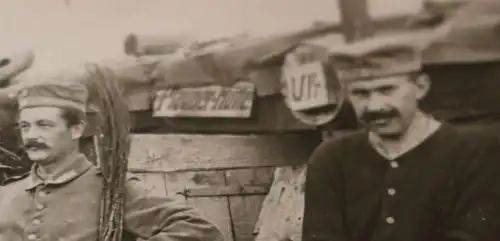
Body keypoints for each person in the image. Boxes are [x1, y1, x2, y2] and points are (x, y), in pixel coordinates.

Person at [301, 33, 500, 241]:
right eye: (360, 93)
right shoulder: (331, 160)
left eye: (387, 90)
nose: (375, 106)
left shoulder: (475, 151)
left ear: (421, 87)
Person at [0, 80, 224, 241]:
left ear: (76, 129)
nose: (31, 136)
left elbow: (200, 230)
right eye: (25, 126)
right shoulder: (7, 194)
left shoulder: (111, 190)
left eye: (44, 125)